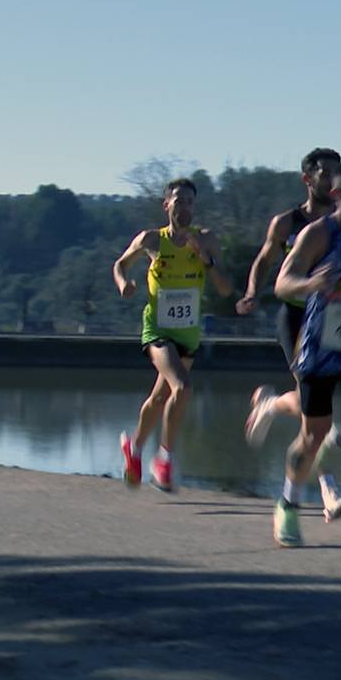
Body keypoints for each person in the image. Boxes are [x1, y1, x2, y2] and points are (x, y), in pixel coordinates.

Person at [251, 159, 341, 547]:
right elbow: (282, 283)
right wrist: (310, 282)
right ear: (338, 194)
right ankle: (288, 503)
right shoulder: (318, 234)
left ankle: (334, 443)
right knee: (308, 436)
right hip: (318, 350)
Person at [237, 148, 341, 522]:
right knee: (315, 409)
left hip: (333, 319)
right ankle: (328, 489)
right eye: (324, 174)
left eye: (337, 174)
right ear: (307, 179)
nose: (331, 180)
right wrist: (253, 290)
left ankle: (269, 404)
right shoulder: (287, 223)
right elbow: (265, 259)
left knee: (315, 407)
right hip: (297, 318)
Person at [112, 177, 232, 492]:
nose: (184, 207)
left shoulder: (205, 240)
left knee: (161, 396)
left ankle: (134, 447)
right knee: (183, 387)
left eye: (190, 202)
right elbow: (120, 265)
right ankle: (163, 459)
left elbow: (224, 288)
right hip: (158, 329)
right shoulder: (152, 240)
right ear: (167, 205)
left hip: (189, 335)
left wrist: (206, 260)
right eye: (178, 201)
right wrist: (124, 283)